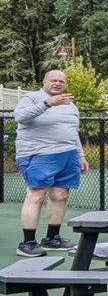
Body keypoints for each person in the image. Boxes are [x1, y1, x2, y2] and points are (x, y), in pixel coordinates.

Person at [13, 68, 92, 258]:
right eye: (53, 80)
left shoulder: (70, 105)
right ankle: (28, 243)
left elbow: (72, 132)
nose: (57, 84)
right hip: (38, 155)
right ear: (44, 82)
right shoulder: (32, 98)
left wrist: (80, 155)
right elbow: (20, 116)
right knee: (37, 195)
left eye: (61, 81)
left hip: (67, 155)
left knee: (60, 195)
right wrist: (47, 103)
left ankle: (52, 238)